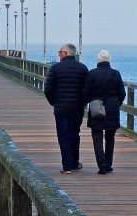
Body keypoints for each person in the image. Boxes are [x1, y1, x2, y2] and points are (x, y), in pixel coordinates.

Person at [43, 43, 89, 173]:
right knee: (74, 134)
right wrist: (82, 103)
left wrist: (54, 102)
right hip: (77, 108)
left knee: (63, 136)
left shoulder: (56, 68)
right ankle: (75, 163)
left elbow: (48, 89)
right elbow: (87, 89)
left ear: (65, 53)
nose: (58, 54)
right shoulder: (83, 68)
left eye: (60, 52)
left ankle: (67, 166)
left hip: (61, 108)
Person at [83, 49, 126, 175]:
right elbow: (122, 93)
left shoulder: (92, 74)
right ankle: (108, 164)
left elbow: (85, 91)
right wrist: (116, 103)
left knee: (97, 136)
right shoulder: (116, 74)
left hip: (97, 107)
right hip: (112, 108)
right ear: (109, 60)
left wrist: (90, 102)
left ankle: (102, 166)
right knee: (110, 137)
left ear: (98, 60)